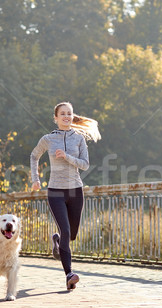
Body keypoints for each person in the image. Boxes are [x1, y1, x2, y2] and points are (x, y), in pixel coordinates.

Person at [30, 102, 101, 290]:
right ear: (56, 118)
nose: (66, 116)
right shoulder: (48, 139)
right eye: (62, 114)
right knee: (66, 231)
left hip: (75, 190)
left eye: (69, 113)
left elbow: (85, 164)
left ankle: (57, 241)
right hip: (55, 191)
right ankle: (69, 274)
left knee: (72, 235)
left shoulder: (79, 139)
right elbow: (34, 156)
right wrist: (35, 179)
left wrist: (67, 157)